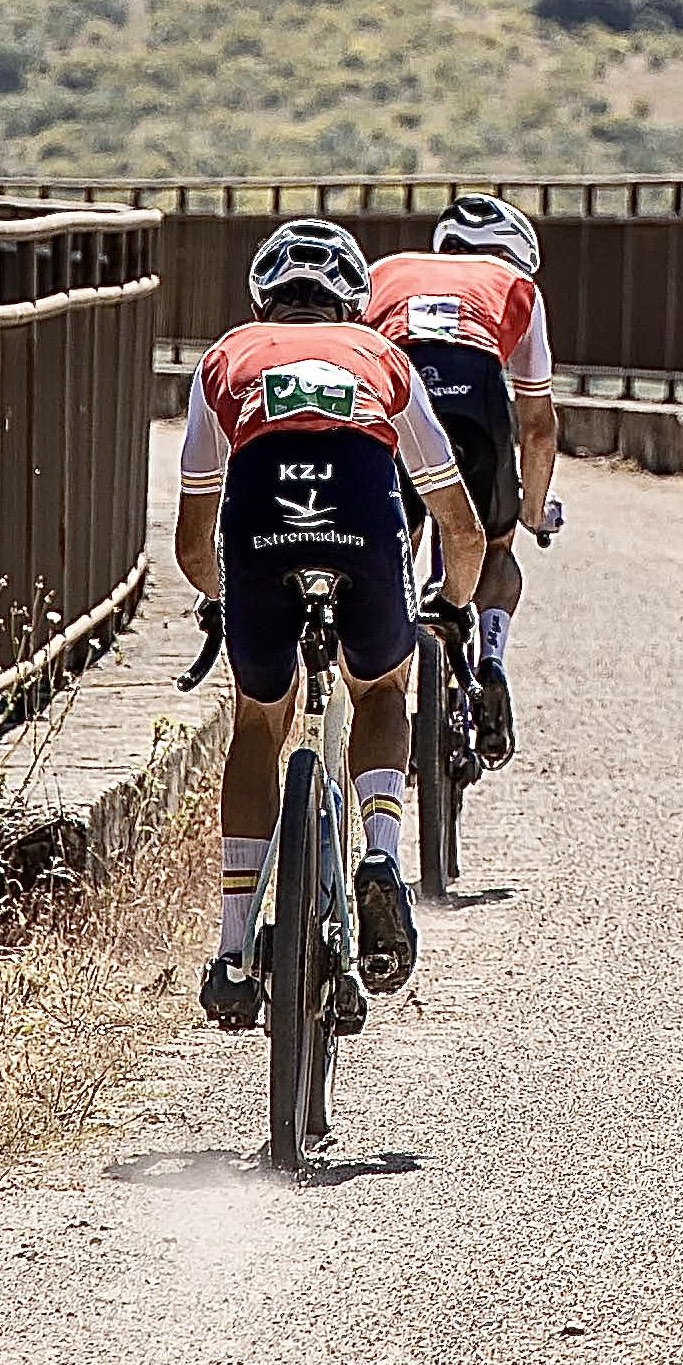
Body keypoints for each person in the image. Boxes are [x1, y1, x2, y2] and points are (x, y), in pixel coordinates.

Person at [177, 216, 492, 1030]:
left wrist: (221, 597)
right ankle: (382, 856)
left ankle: (233, 950)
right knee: (382, 688)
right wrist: (452, 607)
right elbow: (460, 526)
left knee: (258, 722)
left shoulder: (223, 358)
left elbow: (190, 538)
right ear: (353, 300)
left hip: (257, 523)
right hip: (360, 511)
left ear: (261, 297)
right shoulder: (385, 358)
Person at [361, 192, 558, 763]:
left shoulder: (384, 272)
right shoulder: (516, 287)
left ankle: (389, 674)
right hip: (477, 395)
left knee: (400, 537)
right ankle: (491, 659)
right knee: (494, 549)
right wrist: (528, 508)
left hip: (399, 386)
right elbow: (538, 424)